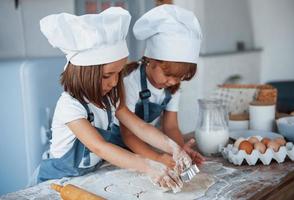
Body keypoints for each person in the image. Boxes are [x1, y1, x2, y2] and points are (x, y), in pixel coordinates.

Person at [37, 7, 192, 192]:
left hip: (86, 179)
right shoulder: (70, 106)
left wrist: (173, 147)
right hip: (55, 183)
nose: (114, 82)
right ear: (84, 73)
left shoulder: (111, 99)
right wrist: (149, 166)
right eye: (107, 75)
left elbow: (140, 127)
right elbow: (100, 147)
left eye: (118, 73)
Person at [114, 5, 205, 169]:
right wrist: (158, 158)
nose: (173, 82)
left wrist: (180, 151)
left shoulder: (172, 88)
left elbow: (170, 126)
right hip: (119, 149)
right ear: (150, 60)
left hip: (145, 147)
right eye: (168, 74)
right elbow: (128, 135)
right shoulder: (130, 83)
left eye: (179, 77)